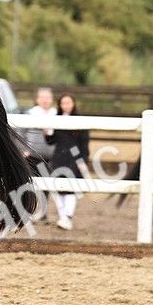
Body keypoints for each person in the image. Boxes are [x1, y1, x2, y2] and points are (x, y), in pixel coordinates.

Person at [45, 93, 89, 231]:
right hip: (59, 156)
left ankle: (67, 217)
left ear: (73, 104)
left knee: (71, 188)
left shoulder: (80, 121)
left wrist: (83, 160)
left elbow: (84, 143)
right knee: (58, 188)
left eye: (68, 103)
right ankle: (63, 218)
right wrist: (47, 134)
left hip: (74, 158)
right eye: (63, 103)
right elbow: (52, 141)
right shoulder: (56, 120)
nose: (65, 106)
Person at [24, 88, 58, 222]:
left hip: (51, 155)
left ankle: (43, 213)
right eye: (42, 97)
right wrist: (22, 149)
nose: (45, 100)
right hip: (33, 155)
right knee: (29, 184)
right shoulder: (30, 113)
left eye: (47, 97)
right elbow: (20, 132)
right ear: (37, 99)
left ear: (51, 99)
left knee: (46, 186)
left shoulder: (57, 114)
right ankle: (29, 210)